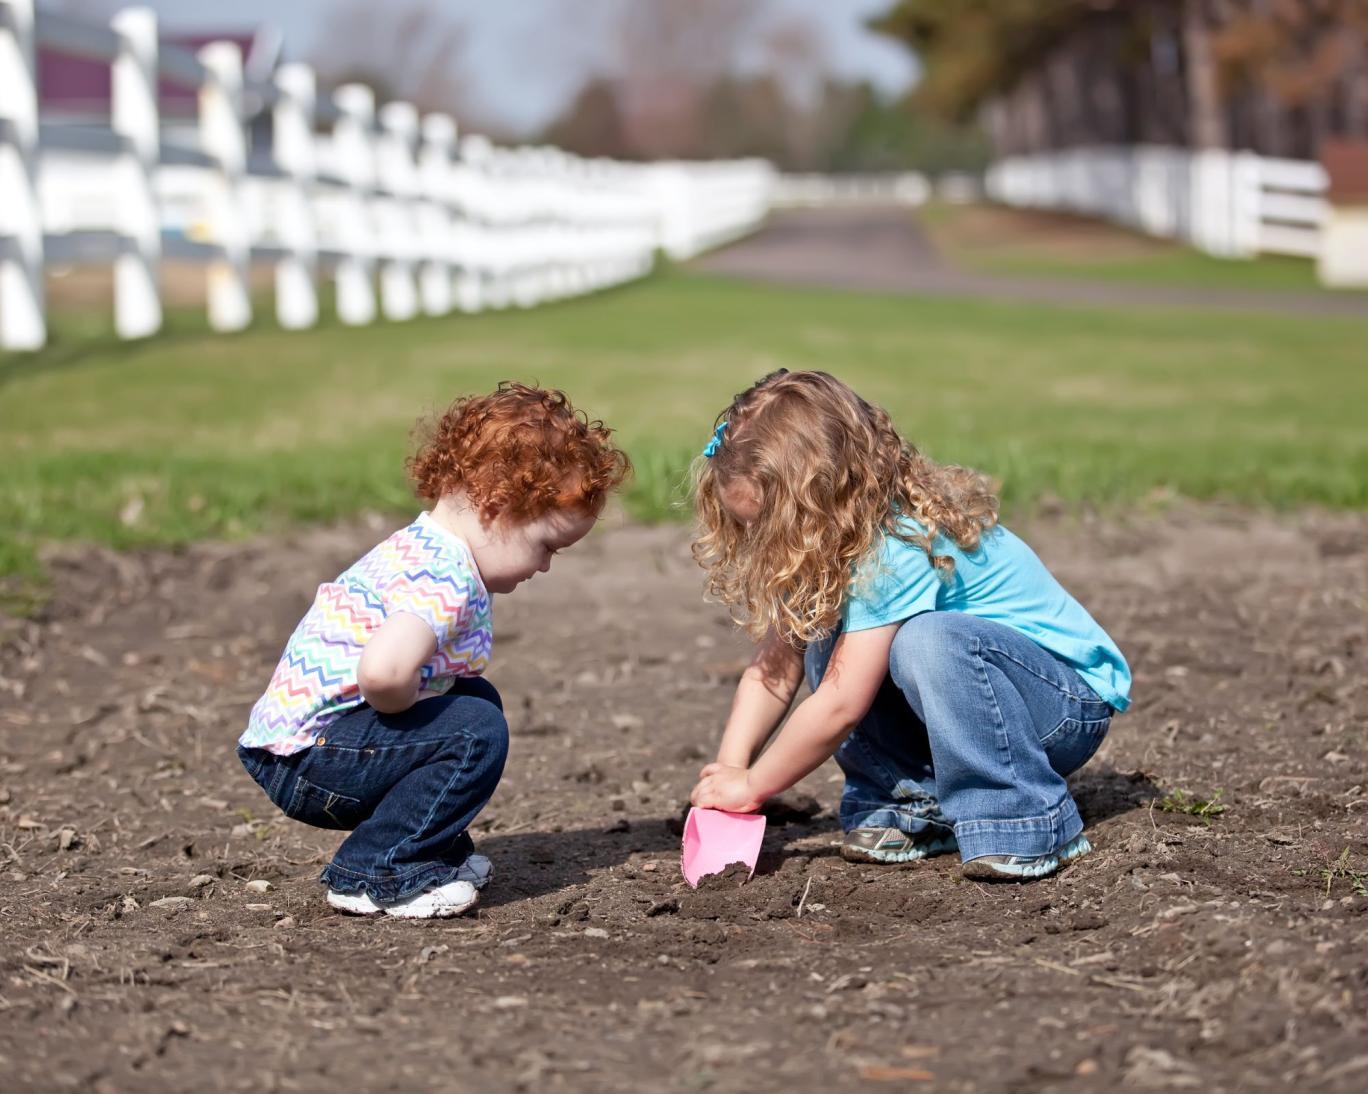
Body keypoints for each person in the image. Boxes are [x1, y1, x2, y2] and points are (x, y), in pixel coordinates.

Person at [687, 370, 1130, 881]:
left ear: (822, 500)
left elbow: (839, 705)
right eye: (749, 526)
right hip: (970, 711)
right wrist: (729, 773)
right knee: (822, 634)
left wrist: (755, 785)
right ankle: (913, 807)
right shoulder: (821, 547)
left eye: (770, 524)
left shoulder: (895, 548)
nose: (760, 538)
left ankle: (1023, 816)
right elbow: (774, 669)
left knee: (925, 642)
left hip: (1061, 711)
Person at [238, 383, 629, 917]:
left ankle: (432, 848)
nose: (544, 567)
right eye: (545, 546)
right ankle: (378, 868)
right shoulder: (445, 579)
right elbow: (382, 672)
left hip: (296, 746)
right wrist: (402, 707)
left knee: (472, 700)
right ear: (497, 507)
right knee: (475, 728)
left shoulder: (420, 547)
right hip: (310, 761)